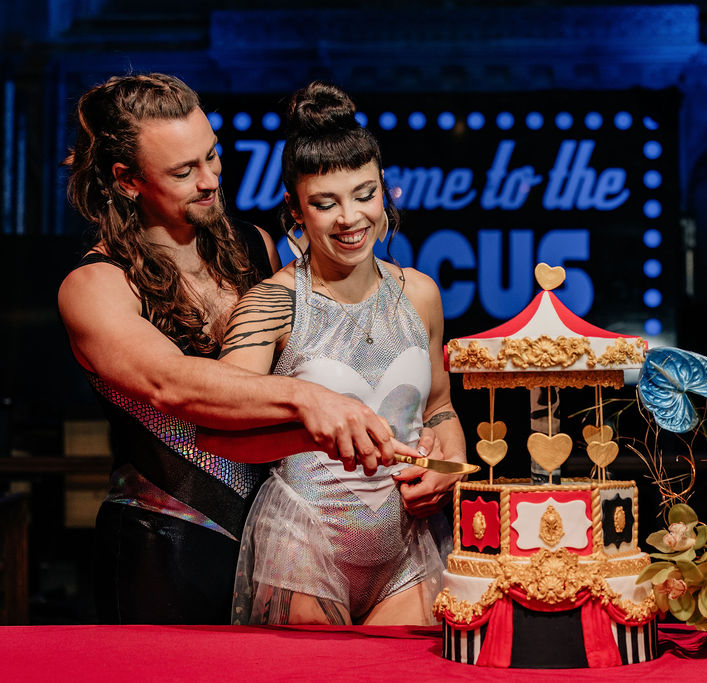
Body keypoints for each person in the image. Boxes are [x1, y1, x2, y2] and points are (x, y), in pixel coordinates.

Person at [57, 73, 423, 624]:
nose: (210, 180)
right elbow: (172, 384)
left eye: (212, 155)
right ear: (128, 180)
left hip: (276, 536)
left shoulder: (254, 245)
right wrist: (307, 399)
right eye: (184, 171)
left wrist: (415, 431)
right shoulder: (95, 285)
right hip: (166, 541)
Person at [198, 81, 466, 626]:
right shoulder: (272, 304)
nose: (350, 218)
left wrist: (449, 467)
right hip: (304, 545)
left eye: (364, 194)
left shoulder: (420, 294)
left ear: (384, 189)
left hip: (408, 545)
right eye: (325, 203)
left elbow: (440, 407)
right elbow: (219, 424)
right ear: (295, 209)